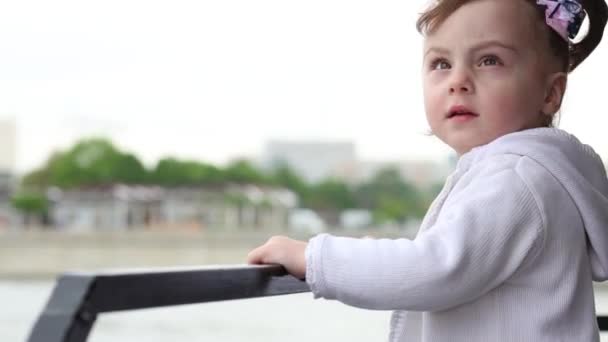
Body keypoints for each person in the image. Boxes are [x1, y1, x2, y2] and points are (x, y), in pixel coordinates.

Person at [247, 0, 608, 340]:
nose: (458, 80)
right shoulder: (533, 173)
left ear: (550, 93)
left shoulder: (516, 179)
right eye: (441, 64)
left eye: (489, 60)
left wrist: (312, 257)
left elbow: (436, 267)